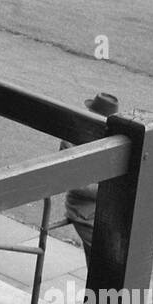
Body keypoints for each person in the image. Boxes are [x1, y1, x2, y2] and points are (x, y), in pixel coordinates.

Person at [62, 92, 120, 270]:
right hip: (85, 211)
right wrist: (111, 190)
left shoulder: (112, 139)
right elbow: (77, 184)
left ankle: (102, 295)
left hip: (107, 209)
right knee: (104, 258)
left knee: (113, 256)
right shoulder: (72, 139)